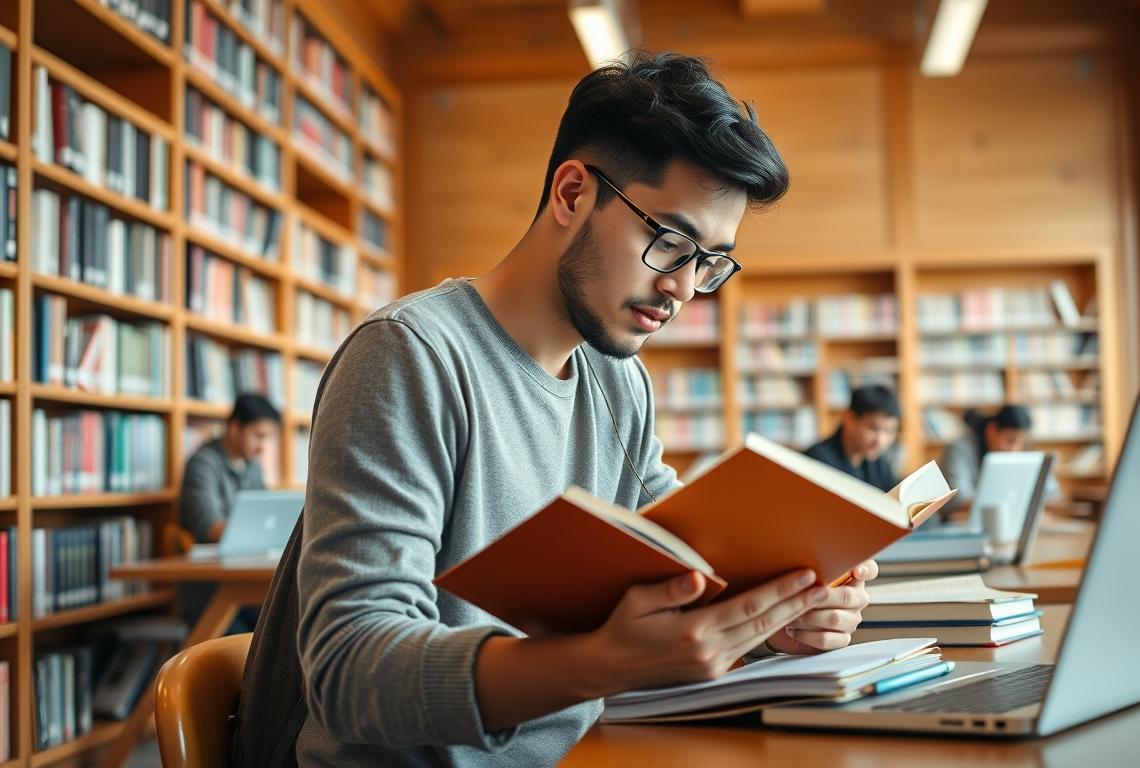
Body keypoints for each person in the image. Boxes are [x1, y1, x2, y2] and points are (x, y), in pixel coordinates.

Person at [234, 51, 880, 767]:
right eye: (671, 242)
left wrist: (773, 617)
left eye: (710, 262)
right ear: (572, 193)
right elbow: (350, 671)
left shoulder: (619, 380)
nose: (684, 289)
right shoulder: (410, 355)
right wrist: (600, 662)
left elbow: (687, 568)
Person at [177, 393, 279, 543]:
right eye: (259, 436)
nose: (263, 447)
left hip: (247, 548)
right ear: (235, 427)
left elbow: (265, 514)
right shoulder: (202, 464)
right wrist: (262, 531)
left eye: (267, 438)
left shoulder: (253, 466)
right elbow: (210, 527)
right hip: (211, 553)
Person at [940, 404, 1060, 512]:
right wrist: (1018, 501)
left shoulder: (1020, 450)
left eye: (1022, 442)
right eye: (1010, 440)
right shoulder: (959, 449)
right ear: (991, 431)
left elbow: (1051, 493)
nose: (1015, 449)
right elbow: (959, 499)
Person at [803, 384, 904, 490]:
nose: (880, 441)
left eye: (889, 431)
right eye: (873, 429)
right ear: (849, 418)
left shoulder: (880, 463)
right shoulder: (817, 461)